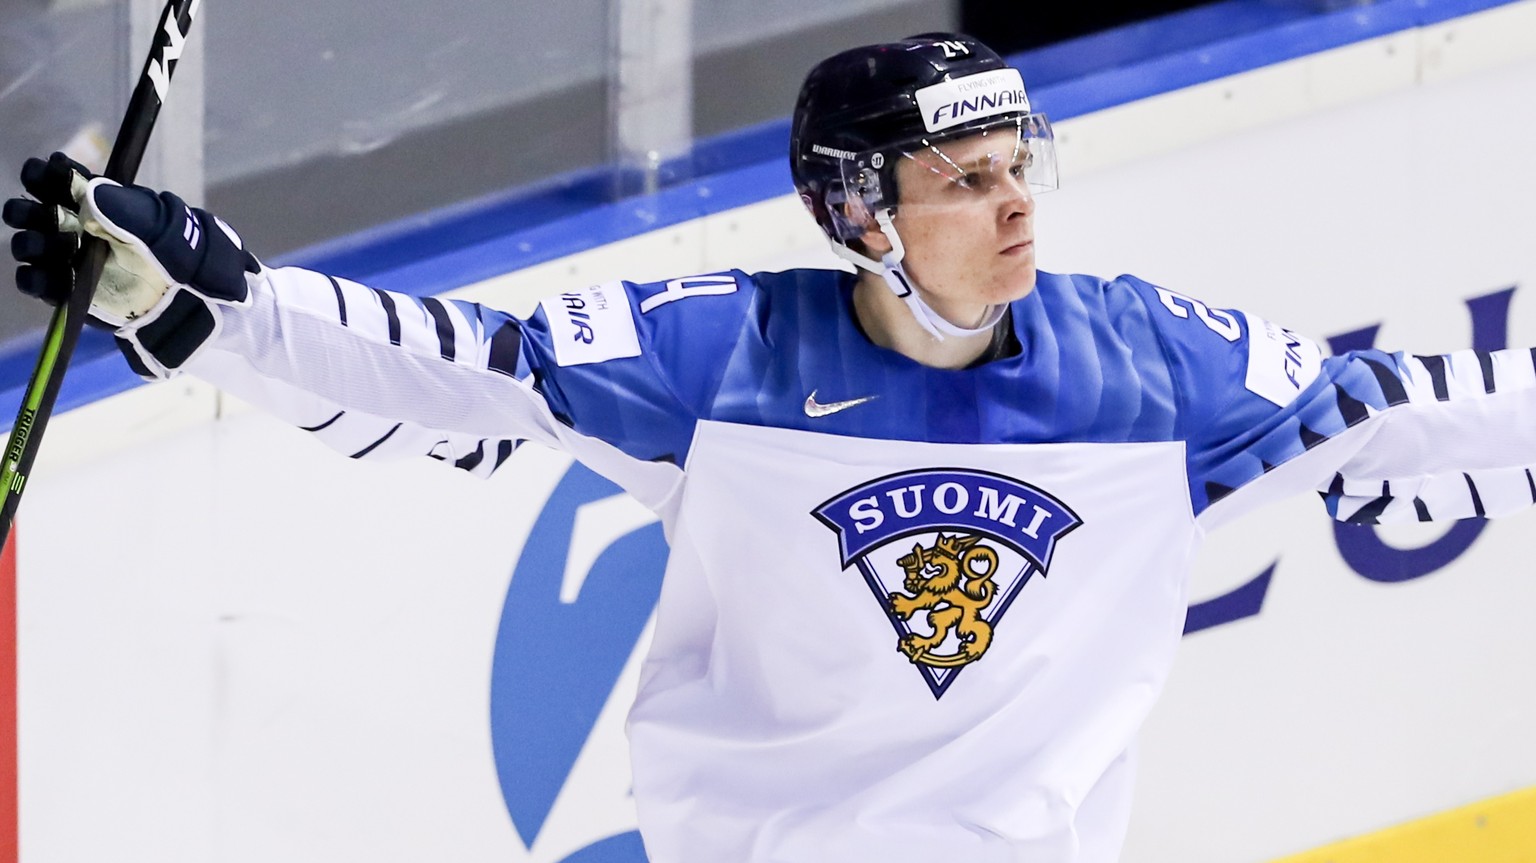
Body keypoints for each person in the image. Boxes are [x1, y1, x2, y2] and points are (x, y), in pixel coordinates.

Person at [6, 31, 1536, 863]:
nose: (1015, 209)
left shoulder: (1147, 368)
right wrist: (205, 300)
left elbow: (1406, 407)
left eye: (1021, 169)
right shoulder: (719, 357)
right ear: (855, 212)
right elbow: (453, 378)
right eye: (963, 178)